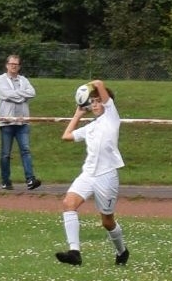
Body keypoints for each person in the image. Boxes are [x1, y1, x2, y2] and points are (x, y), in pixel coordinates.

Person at [55, 79, 129, 266]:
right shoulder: (91, 127)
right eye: (93, 101)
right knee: (68, 203)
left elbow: (99, 83)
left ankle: (122, 251)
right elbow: (66, 136)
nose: (95, 104)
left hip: (107, 176)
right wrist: (78, 114)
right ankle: (74, 252)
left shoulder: (112, 117)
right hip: (88, 174)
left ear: (106, 103)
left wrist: (91, 86)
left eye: (98, 101)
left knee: (107, 222)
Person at [0, 54, 41, 190]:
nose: (13, 66)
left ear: (19, 66)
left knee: (26, 150)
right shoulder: (1, 79)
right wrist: (22, 97)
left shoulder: (24, 80)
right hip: (7, 122)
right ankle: (6, 181)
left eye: (16, 64)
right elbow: (5, 94)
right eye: (11, 64)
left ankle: (30, 179)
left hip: (22, 122)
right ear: (7, 65)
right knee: (5, 153)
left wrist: (16, 95)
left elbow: (32, 93)